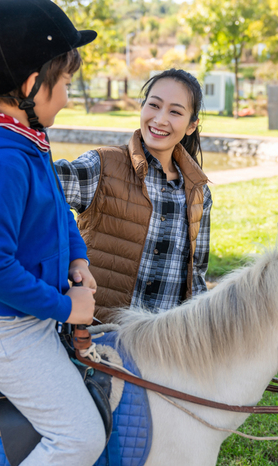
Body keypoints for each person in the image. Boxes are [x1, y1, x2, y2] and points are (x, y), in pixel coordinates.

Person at [0, 0, 103, 464]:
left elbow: (57, 210)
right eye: (67, 83)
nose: (69, 96)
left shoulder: (26, 138)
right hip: (0, 324)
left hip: (22, 311)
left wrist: (77, 258)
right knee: (79, 438)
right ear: (33, 84)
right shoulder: (4, 162)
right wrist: (65, 308)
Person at [55, 69, 212, 322]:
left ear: (192, 125)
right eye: (154, 105)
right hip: (97, 337)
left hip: (163, 345)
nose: (160, 119)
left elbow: (197, 278)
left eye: (175, 111)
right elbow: (41, 185)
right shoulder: (102, 166)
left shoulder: (199, 192)